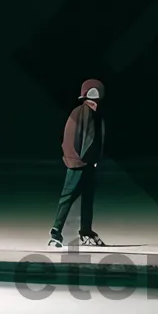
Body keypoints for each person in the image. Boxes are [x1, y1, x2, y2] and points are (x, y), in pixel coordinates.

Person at [47, 78, 106, 248]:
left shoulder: (93, 113)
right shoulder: (81, 112)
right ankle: (56, 233)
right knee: (68, 196)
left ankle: (86, 231)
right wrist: (76, 159)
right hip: (78, 163)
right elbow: (76, 139)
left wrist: (93, 161)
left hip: (87, 164)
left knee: (87, 198)